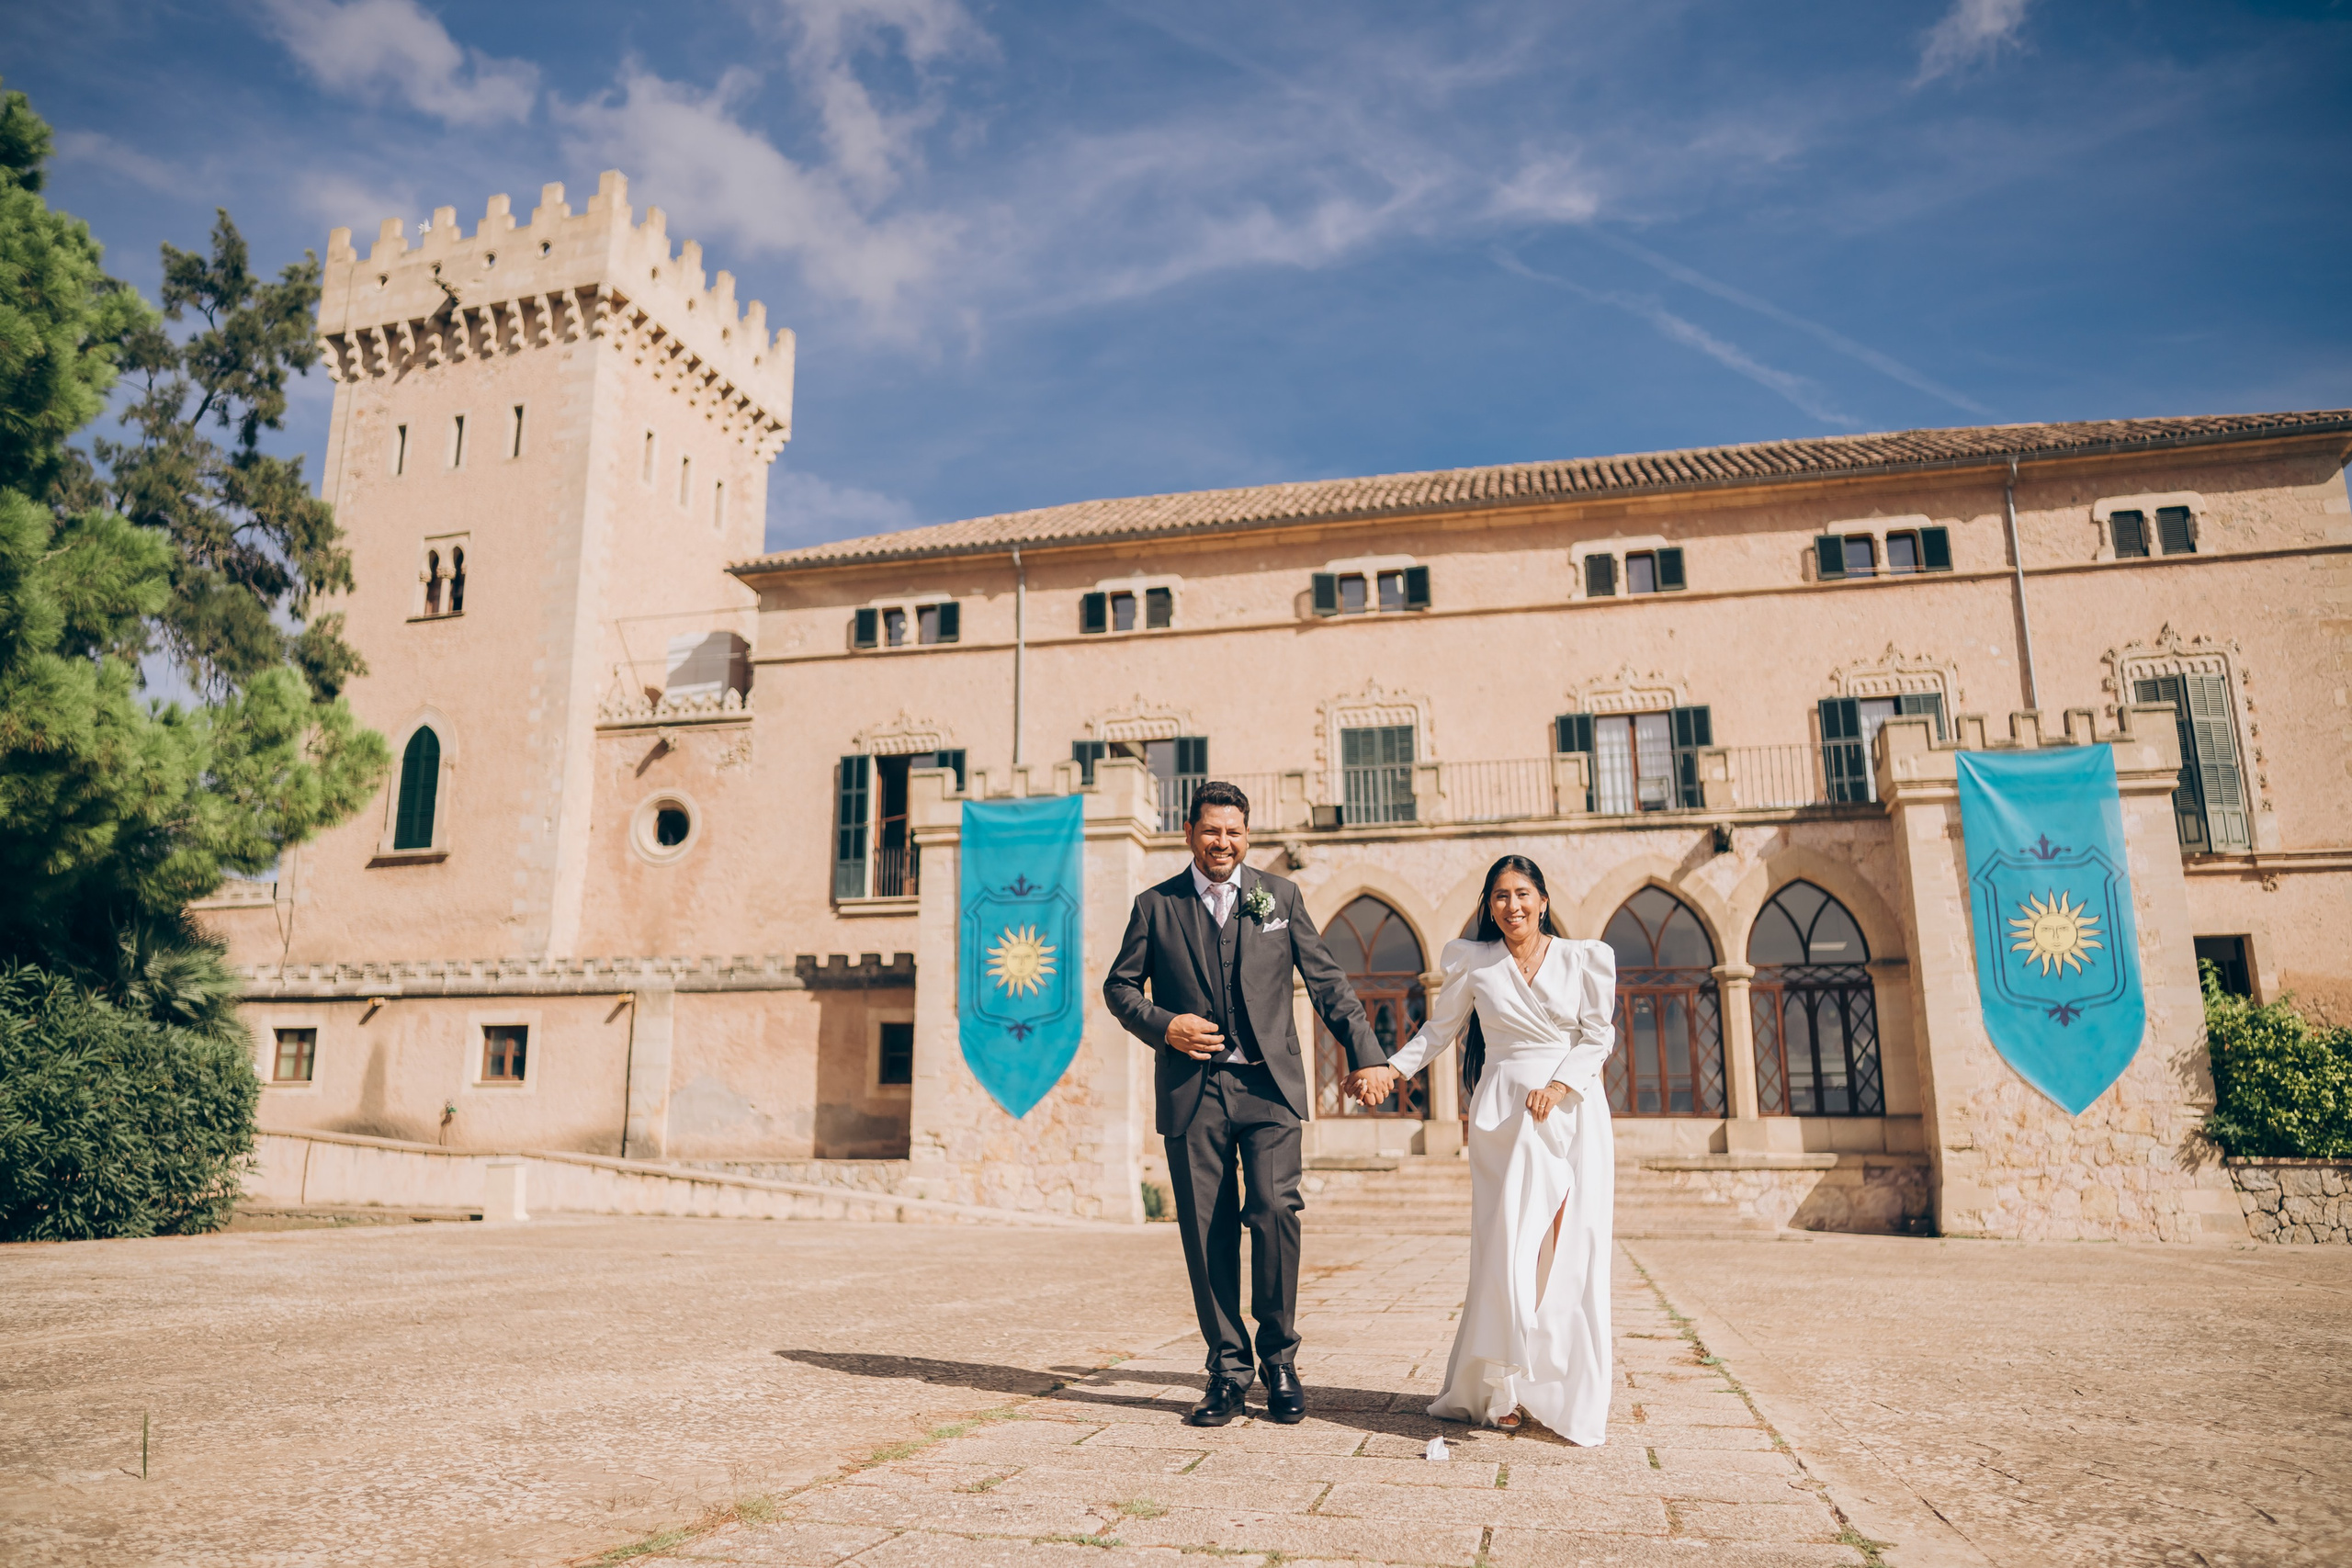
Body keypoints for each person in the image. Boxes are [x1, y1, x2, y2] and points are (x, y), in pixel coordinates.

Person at [1103, 780, 1387, 1427]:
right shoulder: (1155, 906)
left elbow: (1327, 982)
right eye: (1211, 830)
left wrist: (1366, 1052)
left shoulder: (1278, 896)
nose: (1222, 842)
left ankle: (1279, 1360)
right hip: (1193, 1091)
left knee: (1276, 1210)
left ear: (1247, 836)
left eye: (1233, 832)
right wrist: (1165, 1025)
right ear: (1189, 834)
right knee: (1206, 1228)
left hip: (1269, 1087)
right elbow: (1120, 988)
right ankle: (1228, 1370)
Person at [1344, 854, 1617, 1444]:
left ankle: (1559, 1387)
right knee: (1508, 1247)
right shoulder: (1474, 961)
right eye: (1500, 896)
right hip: (1504, 1114)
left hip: (1571, 1110)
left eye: (1522, 894)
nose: (1512, 906)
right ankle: (1500, 1390)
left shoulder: (1584, 958)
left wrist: (1559, 1086)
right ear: (1489, 907)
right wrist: (1389, 1070)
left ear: (1543, 901)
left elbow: (1599, 1036)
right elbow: (1438, 1031)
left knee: (1568, 1247)